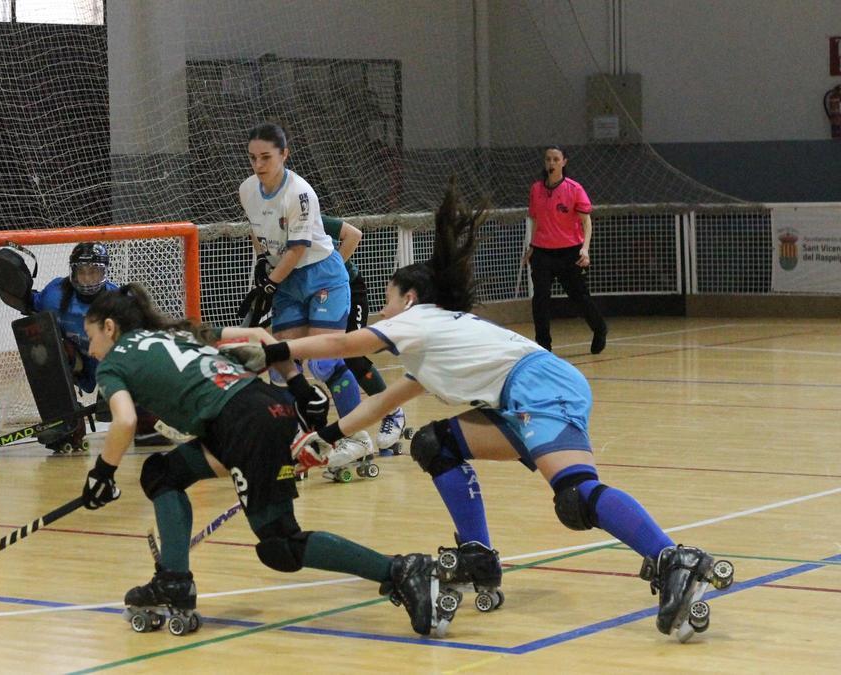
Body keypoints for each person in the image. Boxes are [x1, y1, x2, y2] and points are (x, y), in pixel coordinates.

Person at [231, 180, 733, 640]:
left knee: (576, 496)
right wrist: (324, 440)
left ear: (410, 299)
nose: (382, 311)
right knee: (437, 445)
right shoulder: (431, 345)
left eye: (387, 301)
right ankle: (478, 556)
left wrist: (275, 351)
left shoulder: (419, 320)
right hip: (519, 396)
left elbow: (344, 343)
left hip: (537, 387)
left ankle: (674, 558)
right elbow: (381, 404)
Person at [76, 284, 449, 637]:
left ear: (110, 328)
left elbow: (124, 421)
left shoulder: (113, 363)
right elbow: (260, 336)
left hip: (243, 427)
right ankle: (172, 580)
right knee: (162, 473)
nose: (91, 350)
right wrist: (299, 386)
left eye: (91, 337)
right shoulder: (176, 333)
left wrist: (102, 474)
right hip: (264, 410)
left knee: (280, 544)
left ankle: (401, 570)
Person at [236, 122, 373, 465]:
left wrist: (270, 284)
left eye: (266, 157)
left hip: (321, 275)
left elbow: (297, 250)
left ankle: (357, 437)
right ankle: (291, 440)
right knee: (281, 363)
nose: (258, 165)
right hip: (286, 279)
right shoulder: (247, 189)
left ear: (284, 154)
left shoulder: (299, 193)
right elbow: (258, 232)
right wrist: (262, 263)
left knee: (325, 362)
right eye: (252, 158)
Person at [23, 242, 162, 451]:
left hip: (111, 361)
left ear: (105, 272)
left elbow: (140, 347)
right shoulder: (54, 295)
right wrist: (17, 285)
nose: (88, 279)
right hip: (77, 361)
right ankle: (65, 424)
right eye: (82, 272)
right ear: (73, 272)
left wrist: (116, 382)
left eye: (94, 272)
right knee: (44, 351)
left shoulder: (120, 302)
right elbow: (28, 302)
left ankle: (145, 422)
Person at [322, 214, 408, 456]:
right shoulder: (269, 224)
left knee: (352, 354)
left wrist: (332, 275)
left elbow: (354, 235)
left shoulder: (310, 215)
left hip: (347, 287)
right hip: (317, 296)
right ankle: (348, 435)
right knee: (322, 361)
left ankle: (392, 411)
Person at [524, 146, 608, 354]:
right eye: (548, 159)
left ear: (564, 162)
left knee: (579, 296)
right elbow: (535, 220)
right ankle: (543, 345)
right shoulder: (536, 189)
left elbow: (586, 222)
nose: (551, 163)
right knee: (540, 298)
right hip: (542, 252)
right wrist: (532, 246)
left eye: (556, 159)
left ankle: (599, 328)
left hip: (569, 252)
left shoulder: (574, 189)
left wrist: (585, 249)